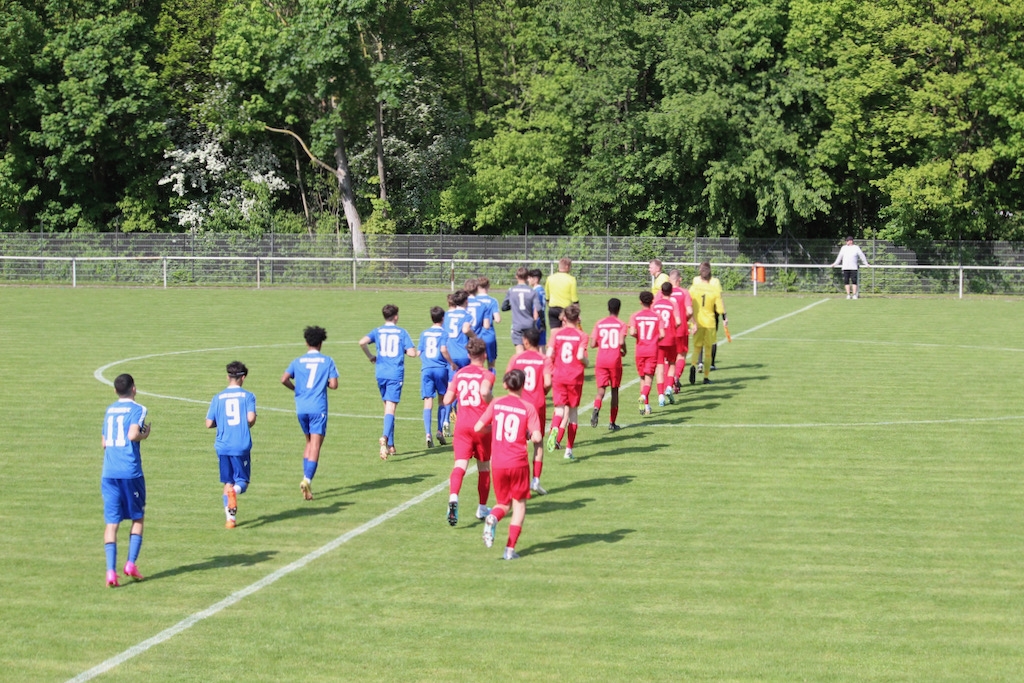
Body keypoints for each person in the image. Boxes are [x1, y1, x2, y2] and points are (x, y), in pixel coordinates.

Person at [475, 369, 543, 560]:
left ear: (505, 385)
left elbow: (478, 427)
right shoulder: (528, 407)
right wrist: (529, 433)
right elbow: (537, 436)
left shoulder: (496, 403)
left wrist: (494, 427)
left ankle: (493, 517)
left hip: (497, 462)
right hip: (518, 462)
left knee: (503, 503)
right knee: (519, 505)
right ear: (523, 385)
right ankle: (509, 550)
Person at [101, 373, 151, 587]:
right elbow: (132, 435)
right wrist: (145, 434)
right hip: (130, 473)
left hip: (109, 472)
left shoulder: (109, 410)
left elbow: (104, 442)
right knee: (137, 518)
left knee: (112, 523)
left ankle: (110, 572)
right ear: (134, 388)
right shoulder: (138, 409)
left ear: (115, 391)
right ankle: (130, 563)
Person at [281, 325, 339, 501]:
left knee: (308, 442)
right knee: (315, 445)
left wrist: (296, 389)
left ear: (306, 342)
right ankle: (307, 479)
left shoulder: (297, 361)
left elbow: (284, 379)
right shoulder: (327, 361)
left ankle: (307, 486)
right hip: (317, 407)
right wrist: (324, 384)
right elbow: (334, 384)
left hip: (301, 407)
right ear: (321, 343)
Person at [442, 338, 494, 526]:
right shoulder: (487, 374)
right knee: (484, 467)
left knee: (460, 465)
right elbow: (485, 392)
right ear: (484, 355)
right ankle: (481, 507)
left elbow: (447, 400)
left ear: (468, 355)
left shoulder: (459, 374)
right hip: (482, 426)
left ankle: (453, 498)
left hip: (462, 426)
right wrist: (493, 402)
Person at [360, 304, 419, 460]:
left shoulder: (378, 331)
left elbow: (362, 342)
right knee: (391, 408)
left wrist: (370, 356)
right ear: (396, 316)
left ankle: (391, 445)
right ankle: (385, 437)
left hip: (380, 373)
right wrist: (407, 350)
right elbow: (413, 353)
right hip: (394, 374)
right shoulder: (401, 332)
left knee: (387, 408)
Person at [206, 361, 257, 529]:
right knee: (241, 481)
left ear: (228, 377)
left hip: (222, 445)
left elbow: (208, 423)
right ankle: (234, 493)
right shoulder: (248, 396)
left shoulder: (217, 397)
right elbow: (250, 418)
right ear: (243, 378)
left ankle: (230, 520)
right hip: (240, 444)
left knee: (227, 481)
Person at [506, 327, 551, 493]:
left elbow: (507, 381)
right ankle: (536, 480)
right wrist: (541, 393)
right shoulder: (544, 359)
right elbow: (547, 382)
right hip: (537, 405)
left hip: (518, 404)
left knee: (516, 443)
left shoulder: (516, 358)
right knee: (537, 442)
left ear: (525, 341)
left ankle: (515, 480)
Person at [545, 303, 588, 460]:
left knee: (559, 410)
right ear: (578, 318)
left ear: (564, 318)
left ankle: (554, 429)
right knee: (574, 413)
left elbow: (549, 353)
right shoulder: (581, 335)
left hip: (559, 376)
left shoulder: (556, 334)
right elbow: (580, 356)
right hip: (574, 377)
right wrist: (586, 363)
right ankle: (568, 450)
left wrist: (553, 368)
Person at [590, 297, 628, 431]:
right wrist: (624, 350)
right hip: (614, 360)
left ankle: (596, 407)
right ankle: (612, 422)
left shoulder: (599, 323)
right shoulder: (621, 324)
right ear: (619, 309)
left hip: (601, 360)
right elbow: (621, 341)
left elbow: (592, 343)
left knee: (601, 390)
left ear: (608, 308)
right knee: (614, 390)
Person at [689, 262, 726, 385]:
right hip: (709, 321)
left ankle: (693, 366)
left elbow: (688, 302)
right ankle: (705, 377)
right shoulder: (713, 289)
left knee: (697, 347)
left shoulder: (693, 288)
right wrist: (724, 317)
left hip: (697, 320)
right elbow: (720, 308)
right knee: (708, 349)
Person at [418, 306, 450, 448]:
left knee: (427, 401)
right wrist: (451, 362)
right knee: (442, 400)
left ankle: (427, 433)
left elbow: (419, 352)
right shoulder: (444, 334)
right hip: (441, 369)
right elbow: (443, 349)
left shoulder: (424, 334)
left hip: (427, 369)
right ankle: (439, 431)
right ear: (443, 318)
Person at [628, 291, 664, 415]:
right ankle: (643, 397)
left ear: (640, 302)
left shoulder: (635, 316)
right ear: (652, 301)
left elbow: (632, 332)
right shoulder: (657, 316)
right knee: (649, 378)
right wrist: (654, 339)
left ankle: (646, 407)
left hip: (640, 350)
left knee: (642, 377)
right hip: (651, 350)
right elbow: (662, 334)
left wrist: (640, 338)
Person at [652, 281, 682, 406]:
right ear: (671, 292)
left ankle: (660, 396)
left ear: (661, 291)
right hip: (670, 337)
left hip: (659, 339)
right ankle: (669, 387)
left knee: (659, 367)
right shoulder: (673, 303)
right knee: (672, 363)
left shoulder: (655, 304)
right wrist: (673, 327)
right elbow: (679, 321)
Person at [668, 269, 694, 392]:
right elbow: (689, 311)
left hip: (667, 330)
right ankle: (676, 376)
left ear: (669, 280)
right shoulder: (685, 292)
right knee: (681, 356)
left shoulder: (663, 293)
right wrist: (685, 319)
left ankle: (669, 384)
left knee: (668, 359)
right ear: (680, 279)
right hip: (681, 329)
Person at [502, 266, 539, 353]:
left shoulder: (511, 290)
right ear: (527, 277)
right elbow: (538, 308)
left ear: (516, 276)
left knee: (519, 353)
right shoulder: (532, 291)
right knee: (531, 352)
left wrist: (514, 305)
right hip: (529, 325)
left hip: (517, 325)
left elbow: (503, 307)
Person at [474, 277, 502, 372]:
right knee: (491, 364)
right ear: (488, 286)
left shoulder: (473, 300)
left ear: (477, 287)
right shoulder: (492, 301)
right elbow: (497, 319)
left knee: (477, 363)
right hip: (489, 335)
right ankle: (490, 386)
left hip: (476, 335)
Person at [544, 257, 578, 331]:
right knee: (565, 335)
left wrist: (549, 305)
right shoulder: (571, 279)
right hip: (566, 311)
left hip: (552, 309)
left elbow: (547, 296)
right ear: (567, 266)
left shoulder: (550, 278)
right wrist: (577, 313)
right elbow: (574, 299)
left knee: (554, 335)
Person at [527, 268, 547, 352]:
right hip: (542, 319)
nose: (528, 280)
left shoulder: (535, 292)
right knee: (542, 344)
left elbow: (536, 308)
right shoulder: (542, 290)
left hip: (537, 320)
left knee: (536, 346)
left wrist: (534, 322)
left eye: (529, 278)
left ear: (535, 279)